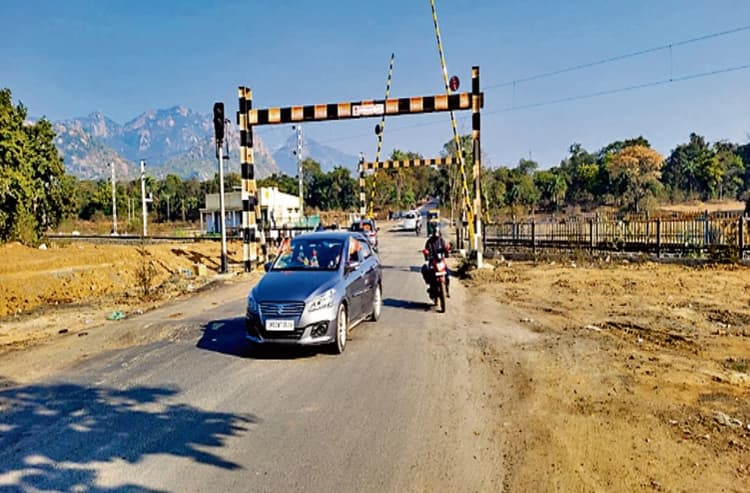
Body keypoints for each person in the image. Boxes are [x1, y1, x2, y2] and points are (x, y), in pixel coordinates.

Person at [421, 225, 450, 297]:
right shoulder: (429, 242)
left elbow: (445, 249)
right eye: (435, 232)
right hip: (432, 261)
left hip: (440, 261)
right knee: (425, 270)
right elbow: (427, 250)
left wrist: (447, 250)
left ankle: (447, 289)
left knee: (447, 273)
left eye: (437, 232)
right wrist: (426, 253)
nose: (436, 234)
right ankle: (430, 287)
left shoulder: (441, 241)